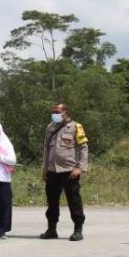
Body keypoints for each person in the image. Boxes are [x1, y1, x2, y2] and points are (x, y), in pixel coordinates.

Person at [41, 102, 89, 241]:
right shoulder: (50, 127)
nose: (54, 114)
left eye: (57, 112)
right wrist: (45, 168)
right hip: (52, 170)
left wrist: (80, 167)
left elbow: (83, 148)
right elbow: (46, 149)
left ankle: (78, 230)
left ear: (65, 112)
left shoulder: (75, 127)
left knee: (74, 200)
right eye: (53, 112)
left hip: (69, 170)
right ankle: (51, 229)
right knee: (52, 201)